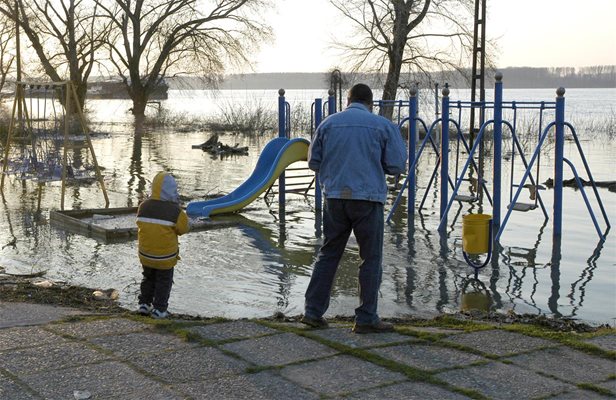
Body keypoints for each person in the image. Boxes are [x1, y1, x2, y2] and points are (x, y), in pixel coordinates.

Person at [302, 83, 407, 334]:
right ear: (370, 102)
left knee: (329, 253)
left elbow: (313, 162)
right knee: (370, 258)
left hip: (335, 198)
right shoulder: (382, 125)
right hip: (368, 199)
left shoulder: (328, 124)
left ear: (348, 100)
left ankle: (313, 312)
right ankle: (366, 317)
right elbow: (396, 166)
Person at [136, 171, 190, 319]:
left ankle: (144, 304)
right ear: (172, 191)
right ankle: (159, 309)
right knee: (163, 282)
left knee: (148, 278)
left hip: (145, 254)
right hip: (165, 257)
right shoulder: (175, 211)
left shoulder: (143, 206)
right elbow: (183, 229)